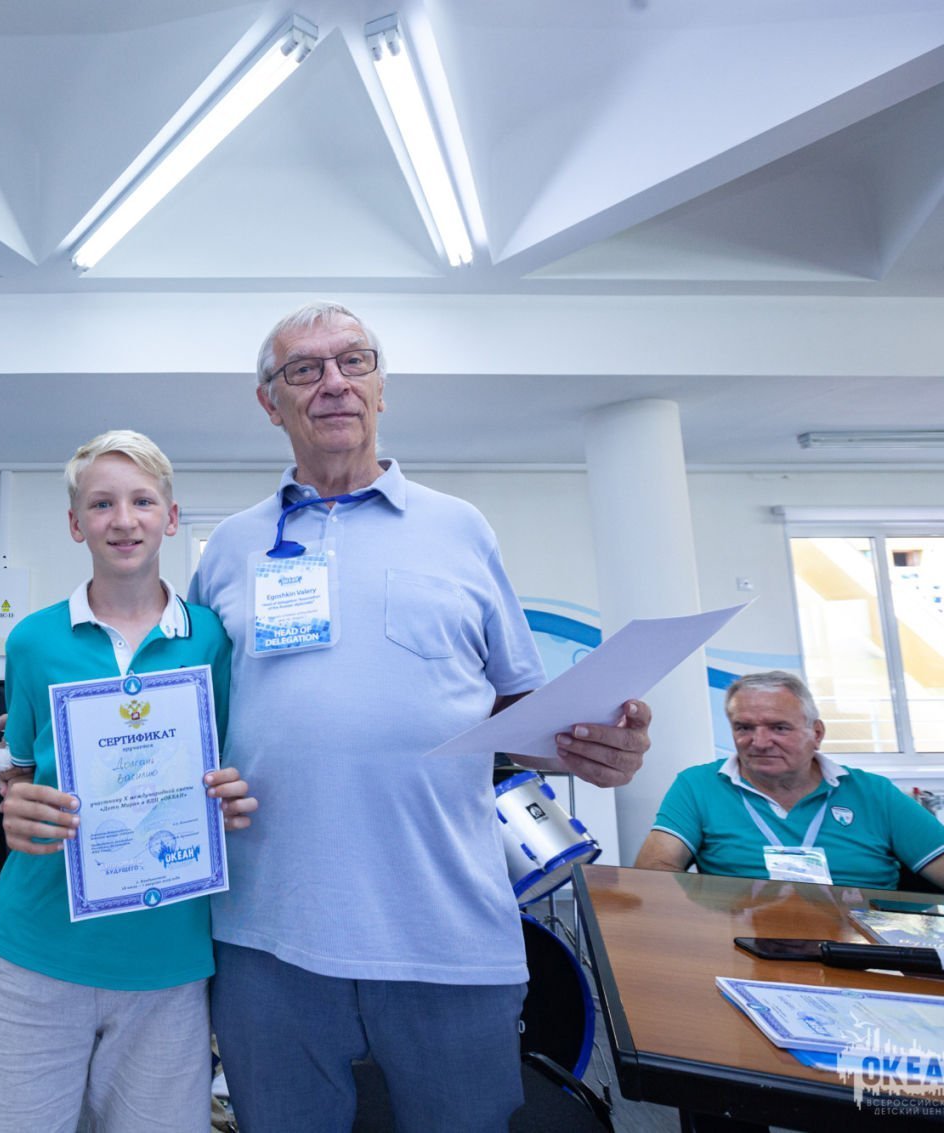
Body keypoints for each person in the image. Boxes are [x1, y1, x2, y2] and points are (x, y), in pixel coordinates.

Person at [186, 301, 652, 1132]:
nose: (334, 382)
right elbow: (188, 709)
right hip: (267, 934)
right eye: (304, 369)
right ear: (270, 402)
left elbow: (517, 707)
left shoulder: (460, 529)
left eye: (354, 361)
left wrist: (591, 745)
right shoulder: (228, 546)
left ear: (381, 387)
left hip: (446, 931)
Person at [0, 430, 258, 1133]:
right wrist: (16, 799)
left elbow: (229, 761)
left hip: (168, 963)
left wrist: (232, 797)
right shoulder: (33, 640)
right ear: (76, 523)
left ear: (171, 517)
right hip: (36, 952)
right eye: (101, 504)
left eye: (142, 501)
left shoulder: (213, 639)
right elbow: (19, 768)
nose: (123, 520)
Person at [635, 670, 944, 896]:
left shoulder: (875, 794)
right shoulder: (699, 785)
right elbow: (654, 871)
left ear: (816, 733)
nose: (759, 742)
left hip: (861, 947)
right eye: (744, 728)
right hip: (742, 942)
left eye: (779, 728)